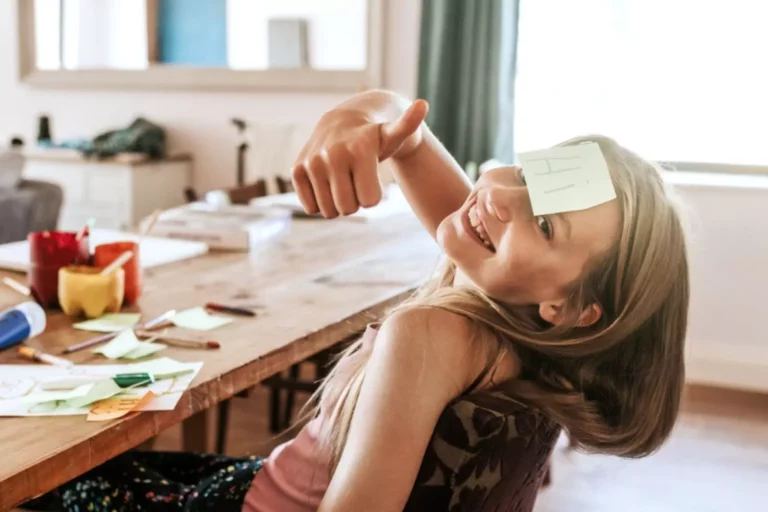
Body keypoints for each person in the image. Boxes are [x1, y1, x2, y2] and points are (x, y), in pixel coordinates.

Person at [25, 89, 689, 512]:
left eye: (546, 222)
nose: (501, 197)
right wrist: (357, 115)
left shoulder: (432, 333)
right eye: (532, 176)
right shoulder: (522, 317)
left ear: (571, 308)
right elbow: (409, 137)